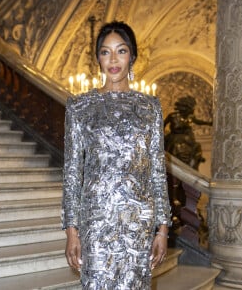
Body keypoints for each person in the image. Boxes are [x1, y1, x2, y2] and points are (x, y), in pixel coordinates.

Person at [62, 21, 171, 289]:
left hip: (138, 223)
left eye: (121, 51)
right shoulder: (80, 107)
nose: (113, 60)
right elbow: (72, 173)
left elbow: (157, 170)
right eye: (105, 52)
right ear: (97, 58)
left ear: (132, 55)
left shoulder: (150, 107)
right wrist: (72, 232)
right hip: (96, 223)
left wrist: (163, 229)